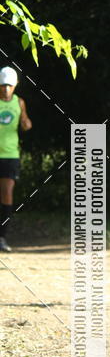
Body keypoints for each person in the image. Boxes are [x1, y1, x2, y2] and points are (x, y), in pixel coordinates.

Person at [0, 67, 32, 252]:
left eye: (9, 86)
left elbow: (25, 122)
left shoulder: (19, 103)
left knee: (7, 194)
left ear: (15, 85)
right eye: (3, 85)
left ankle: (2, 236)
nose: (5, 89)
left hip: (10, 155)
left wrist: (27, 124)